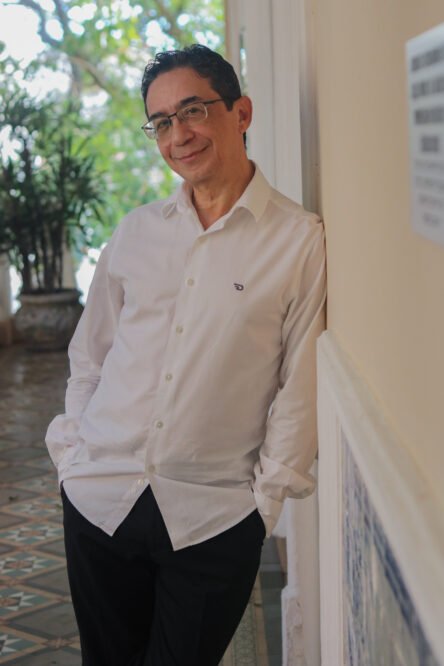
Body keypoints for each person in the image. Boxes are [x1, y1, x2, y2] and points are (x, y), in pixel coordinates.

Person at [46, 44, 326, 666]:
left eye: (193, 110)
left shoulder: (297, 241)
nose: (179, 135)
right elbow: (91, 355)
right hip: (100, 501)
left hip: (213, 518)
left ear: (241, 112)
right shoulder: (136, 232)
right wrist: (72, 457)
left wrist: (263, 507)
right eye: (162, 121)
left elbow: (299, 386)